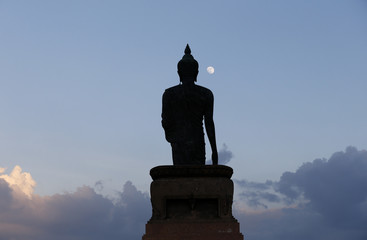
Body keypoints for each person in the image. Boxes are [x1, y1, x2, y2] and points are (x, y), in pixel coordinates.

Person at [161, 44, 218, 165]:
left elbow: (165, 121)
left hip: (178, 142)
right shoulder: (206, 94)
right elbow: (209, 123)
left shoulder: (169, 94)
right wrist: (214, 150)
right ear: (196, 72)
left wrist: (173, 138)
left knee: (180, 174)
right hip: (197, 140)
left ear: (179, 73)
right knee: (197, 175)